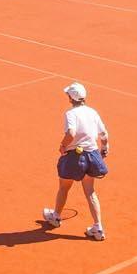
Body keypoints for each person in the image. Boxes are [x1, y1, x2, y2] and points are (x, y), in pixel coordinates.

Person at [42, 82, 109, 241]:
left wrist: (63, 146)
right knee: (90, 191)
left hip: (74, 157)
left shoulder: (71, 114)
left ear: (71, 98)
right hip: (92, 156)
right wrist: (105, 147)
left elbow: (71, 132)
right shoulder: (93, 112)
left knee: (64, 187)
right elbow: (104, 134)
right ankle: (98, 228)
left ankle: (56, 217)